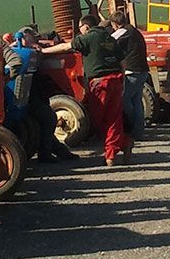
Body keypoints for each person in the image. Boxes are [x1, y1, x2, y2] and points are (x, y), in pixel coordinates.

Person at [42, 15, 128, 165]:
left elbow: (65, 47)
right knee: (113, 118)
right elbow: (122, 59)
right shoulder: (109, 38)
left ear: (86, 27)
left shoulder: (89, 38)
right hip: (116, 79)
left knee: (95, 119)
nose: (80, 32)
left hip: (100, 82)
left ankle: (117, 148)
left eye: (80, 29)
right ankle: (115, 151)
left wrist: (42, 51)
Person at [16, 27, 78, 163]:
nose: (36, 40)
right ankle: (46, 153)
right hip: (26, 96)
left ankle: (59, 151)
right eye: (33, 37)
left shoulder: (32, 52)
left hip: (36, 94)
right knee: (49, 118)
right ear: (24, 37)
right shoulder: (18, 52)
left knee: (45, 121)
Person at [109, 10, 149, 158]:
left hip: (132, 71)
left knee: (124, 100)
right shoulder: (135, 31)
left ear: (115, 24)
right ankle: (138, 132)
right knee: (136, 101)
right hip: (143, 70)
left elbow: (108, 40)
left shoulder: (122, 31)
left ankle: (129, 129)